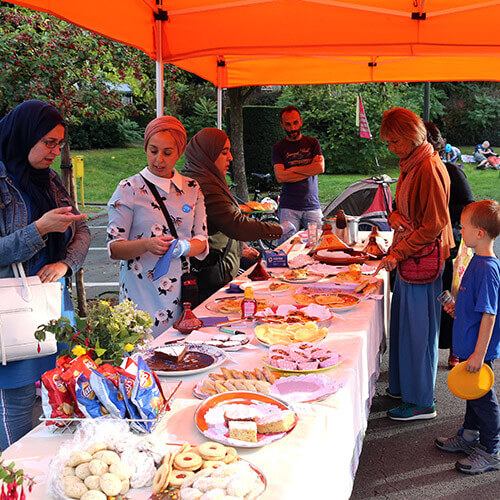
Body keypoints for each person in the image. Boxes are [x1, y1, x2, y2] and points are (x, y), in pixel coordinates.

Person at [0, 100, 90, 449]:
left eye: (59, 143)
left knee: (61, 401)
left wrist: (66, 264)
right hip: (14, 311)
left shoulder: (49, 180)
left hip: (54, 305)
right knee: (17, 409)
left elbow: (82, 230)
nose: (56, 151)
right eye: (49, 142)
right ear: (25, 137)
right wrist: (39, 229)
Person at [376, 107, 454, 421]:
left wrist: (400, 251)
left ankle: (422, 401)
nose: (391, 147)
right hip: (412, 258)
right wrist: (394, 217)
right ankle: (403, 389)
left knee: (420, 333)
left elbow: (434, 224)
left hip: (423, 261)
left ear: (411, 136)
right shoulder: (411, 162)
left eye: (395, 141)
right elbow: (402, 210)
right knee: (405, 328)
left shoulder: (429, 167)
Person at [107, 116, 208, 337]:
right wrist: (146, 244)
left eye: (167, 153)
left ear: (179, 153)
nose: (158, 160)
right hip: (140, 293)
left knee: (180, 355)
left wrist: (183, 247)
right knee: (141, 356)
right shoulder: (129, 188)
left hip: (181, 292)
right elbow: (114, 248)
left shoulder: (192, 188)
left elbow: (202, 240)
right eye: (153, 151)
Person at [181, 128, 291, 300]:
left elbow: (222, 223)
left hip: (217, 268)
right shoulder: (203, 184)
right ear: (208, 154)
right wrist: (278, 229)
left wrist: (240, 248)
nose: (230, 158)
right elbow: (236, 225)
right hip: (211, 274)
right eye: (224, 152)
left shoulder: (206, 176)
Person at [435, 200, 500, 475]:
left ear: (480, 233)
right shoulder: (475, 259)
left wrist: (477, 355)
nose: (460, 231)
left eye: (463, 227)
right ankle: (470, 436)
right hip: (470, 346)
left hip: (479, 351)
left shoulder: (488, 269)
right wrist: (456, 308)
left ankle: (491, 450)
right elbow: (474, 306)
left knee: (484, 400)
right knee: (473, 397)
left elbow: (489, 315)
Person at [424, 122, 474, 368]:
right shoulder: (415, 172)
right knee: (433, 301)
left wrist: (438, 212)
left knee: (452, 300)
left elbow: (468, 204)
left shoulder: (452, 171)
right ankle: (431, 347)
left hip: (450, 246)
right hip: (426, 247)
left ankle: (455, 350)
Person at [272, 106, 324, 244]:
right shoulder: (278, 148)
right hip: (288, 207)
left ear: (301, 121)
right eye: (288, 124)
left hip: (312, 205)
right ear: (282, 125)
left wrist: (292, 169)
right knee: (286, 247)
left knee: (316, 246)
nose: (293, 128)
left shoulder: (313, 143)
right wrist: (308, 169)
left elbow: (319, 167)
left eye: (295, 123)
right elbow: (280, 176)